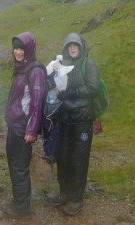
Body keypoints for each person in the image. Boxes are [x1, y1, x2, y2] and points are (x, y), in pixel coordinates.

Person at [46, 32, 100, 216]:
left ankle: (76, 198)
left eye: (75, 45)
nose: (72, 48)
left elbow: (94, 87)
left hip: (82, 121)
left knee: (78, 159)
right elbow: (58, 85)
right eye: (69, 45)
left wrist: (72, 93)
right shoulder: (63, 65)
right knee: (63, 157)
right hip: (66, 119)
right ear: (66, 48)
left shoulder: (88, 64)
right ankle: (64, 193)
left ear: (81, 46)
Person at [2, 32, 46, 218]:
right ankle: (19, 201)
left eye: (22, 48)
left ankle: (22, 209)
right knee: (13, 165)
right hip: (14, 125)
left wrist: (32, 129)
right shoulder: (21, 68)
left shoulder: (34, 71)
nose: (18, 52)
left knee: (19, 167)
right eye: (16, 48)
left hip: (23, 127)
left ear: (29, 49)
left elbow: (37, 102)